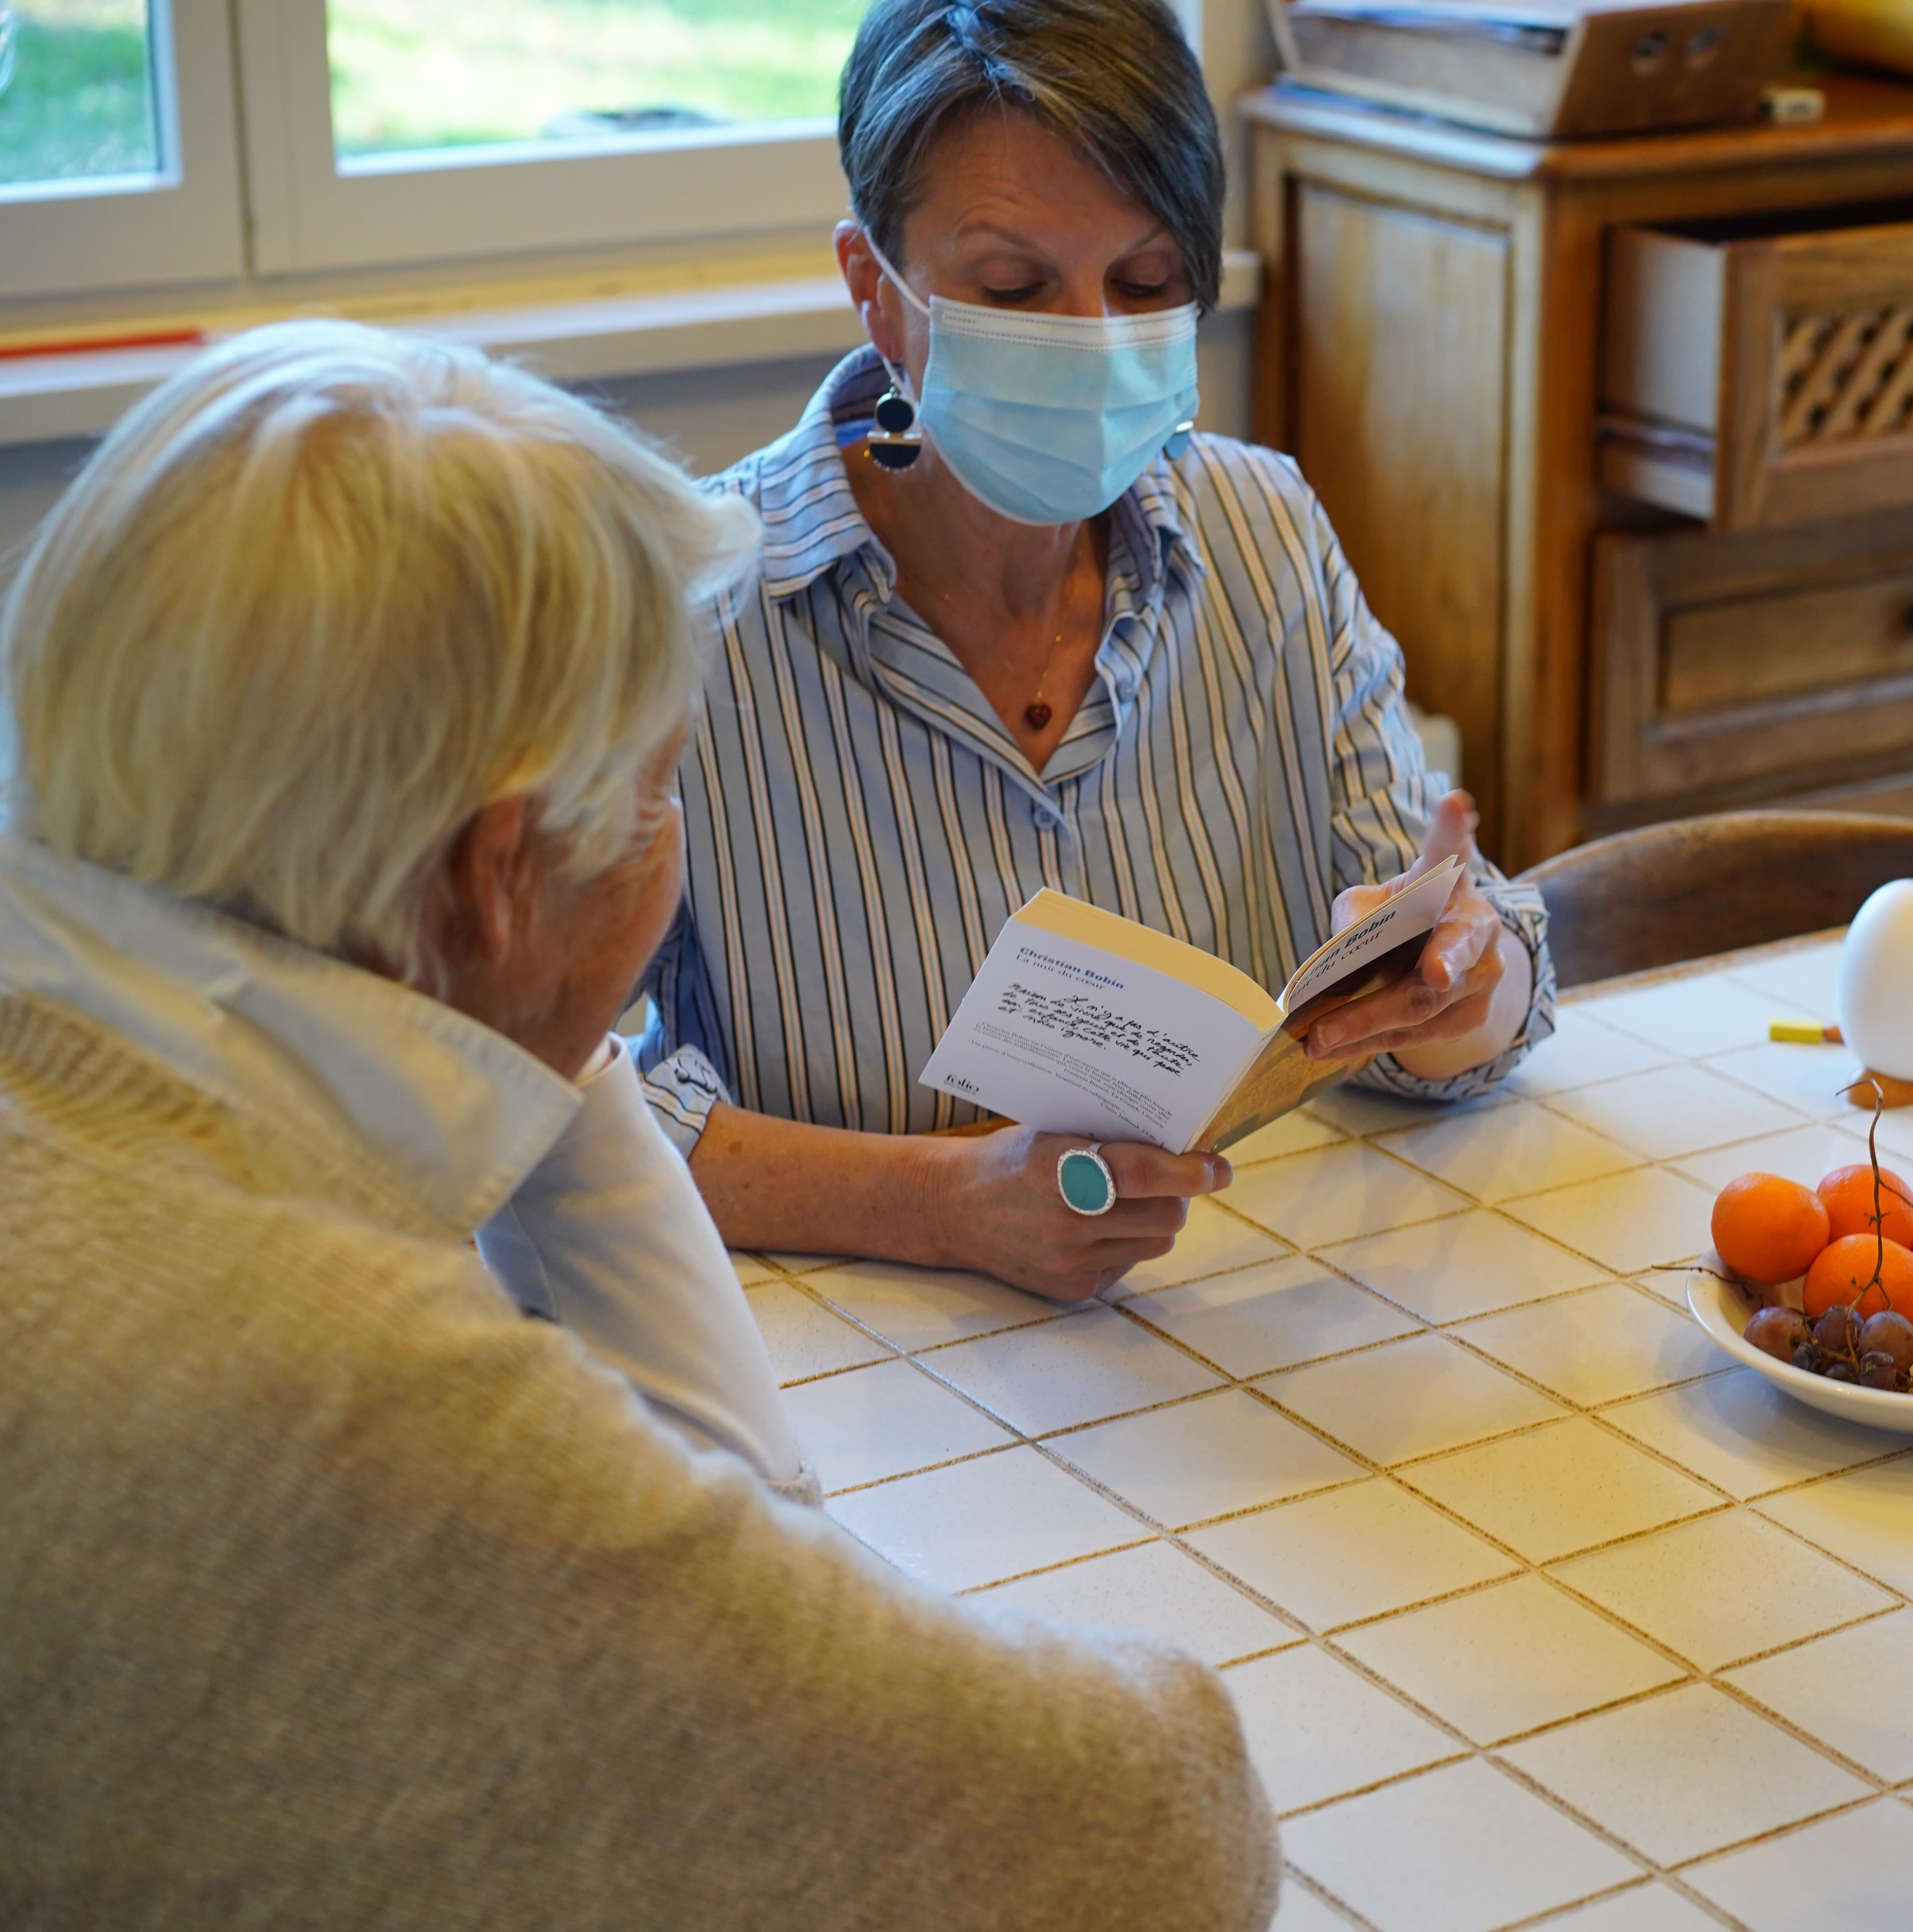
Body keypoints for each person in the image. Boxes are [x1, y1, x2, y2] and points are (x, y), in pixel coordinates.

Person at [0, 321, 1279, 1929]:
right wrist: (540, 1022)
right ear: (497, 871)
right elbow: (1156, 1835)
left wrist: (541, 1045)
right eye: (662, 791)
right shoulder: (355, 1388)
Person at [636, 0, 1557, 1301]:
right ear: (875, 295)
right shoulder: (682, 615)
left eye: (1145, 284)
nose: (1093, 339)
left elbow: (1442, 972)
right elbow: (557, 1118)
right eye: (1014, 289)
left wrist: (1467, 989)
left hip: (1237, 1326)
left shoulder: (1262, 535)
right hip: (861, 1382)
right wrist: (949, 1206)